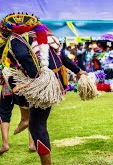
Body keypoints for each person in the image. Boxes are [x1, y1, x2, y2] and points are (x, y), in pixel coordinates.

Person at [0, 13, 86, 164]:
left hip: (45, 84)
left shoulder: (16, 39)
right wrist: (78, 70)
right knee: (35, 122)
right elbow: (62, 56)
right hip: (54, 81)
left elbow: (23, 56)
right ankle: (25, 118)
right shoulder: (41, 34)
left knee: (37, 126)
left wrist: (37, 81)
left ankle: (26, 121)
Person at [0, 79, 36, 155]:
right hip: (24, 86)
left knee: (4, 113)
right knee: (30, 114)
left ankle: (5, 144)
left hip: (8, 86)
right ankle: (32, 144)